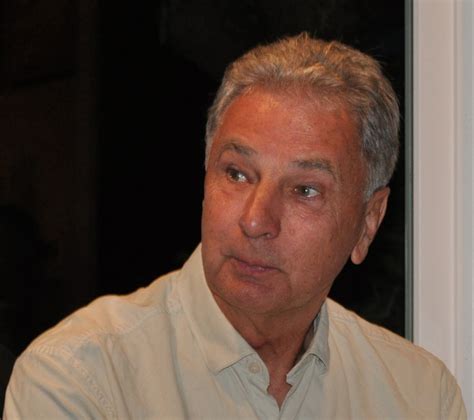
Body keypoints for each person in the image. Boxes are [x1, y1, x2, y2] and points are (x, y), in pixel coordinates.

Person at [4, 33, 466, 419]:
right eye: (237, 174)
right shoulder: (80, 379)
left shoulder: (419, 397)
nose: (255, 220)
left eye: (305, 190)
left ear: (368, 222)